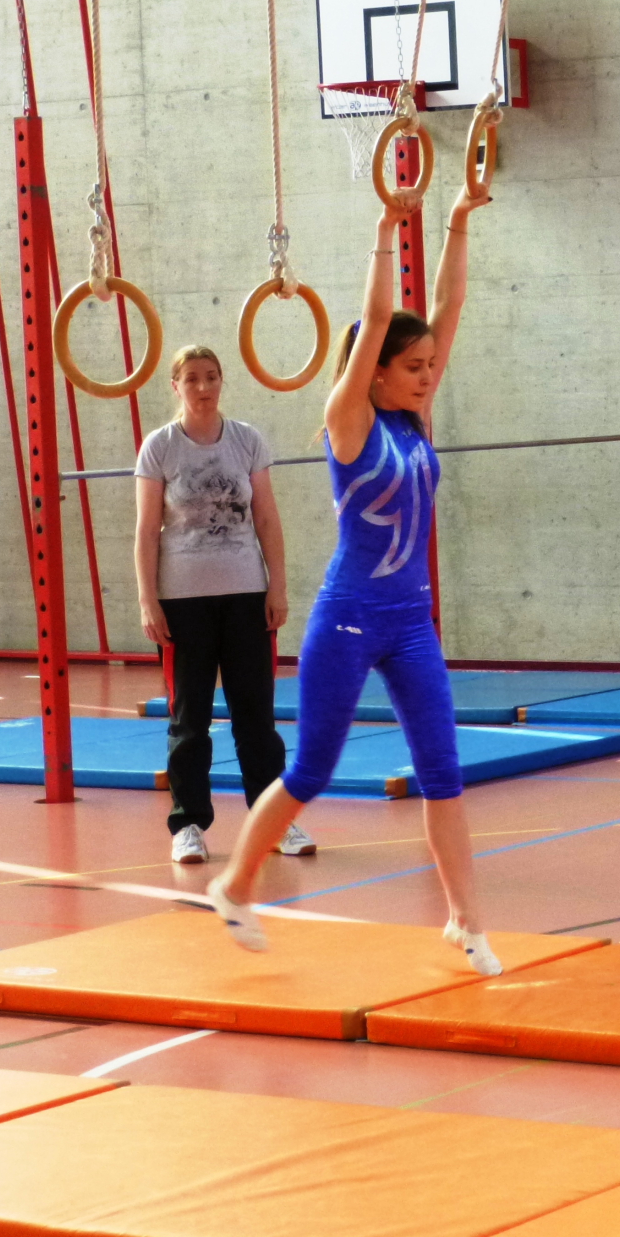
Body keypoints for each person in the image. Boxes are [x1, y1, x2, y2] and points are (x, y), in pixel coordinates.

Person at [204, 180, 499, 973]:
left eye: (431, 365)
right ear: (374, 373)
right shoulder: (350, 424)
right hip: (348, 617)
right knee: (311, 768)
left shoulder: (413, 419)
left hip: (410, 622)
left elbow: (448, 305)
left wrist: (456, 221)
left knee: (443, 771)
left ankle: (466, 920)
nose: (428, 374)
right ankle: (234, 883)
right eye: (413, 366)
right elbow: (375, 318)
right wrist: (383, 230)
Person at [134, 346, 312, 866]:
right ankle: (188, 824)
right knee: (189, 719)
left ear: (221, 382)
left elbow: (267, 518)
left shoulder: (246, 440)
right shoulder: (160, 447)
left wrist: (277, 587)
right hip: (181, 601)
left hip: (245, 596)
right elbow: (146, 531)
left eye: (211, 377)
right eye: (192, 378)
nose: (203, 387)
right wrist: (148, 600)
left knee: (255, 717)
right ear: (176, 386)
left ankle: (273, 821)